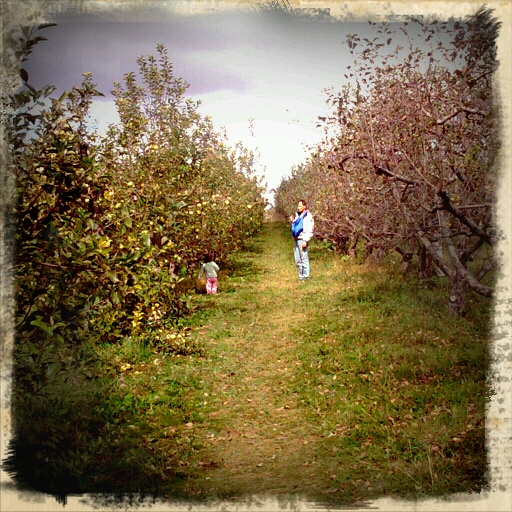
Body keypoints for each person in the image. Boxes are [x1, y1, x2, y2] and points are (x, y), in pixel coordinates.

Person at [289, 199, 314, 280]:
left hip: (302, 239)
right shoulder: (298, 216)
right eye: (298, 206)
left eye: (300, 206)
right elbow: (296, 227)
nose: (298, 207)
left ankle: (306, 276)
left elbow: (309, 229)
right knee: (298, 259)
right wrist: (292, 221)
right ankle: (301, 276)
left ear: (304, 206)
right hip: (296, 239)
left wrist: (305, 240)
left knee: (304, 258)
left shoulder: (308, 216)